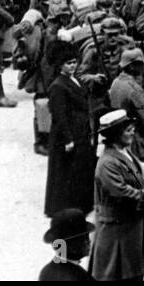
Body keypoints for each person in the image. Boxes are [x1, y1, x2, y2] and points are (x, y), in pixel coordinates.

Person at [88, 111, 144, 281]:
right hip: (116, 232)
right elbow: (121, 192)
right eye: (128, 130)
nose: (132, 132)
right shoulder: (107, 163)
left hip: (128, 229)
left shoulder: (124, 153)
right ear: (116, 134)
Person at [44, 53, 94, 218]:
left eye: (74, 62)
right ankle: (65, 206)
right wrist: (68, 139)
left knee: (77, 169)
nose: (72, 66)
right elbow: (59, 115)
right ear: (60, 65)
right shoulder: (58, 86)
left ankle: (79, 204)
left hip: (80, 131)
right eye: (68, 63)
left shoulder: (74, 79)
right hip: (68, 135)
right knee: (66, 171)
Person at [39, 208, 95, 281]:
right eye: (84, 238)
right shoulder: (80, 276)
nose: (89, 242)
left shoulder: (46, 271)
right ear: (70, 246)